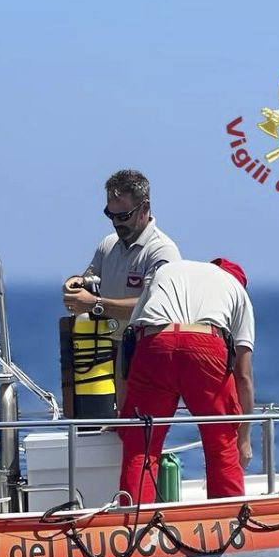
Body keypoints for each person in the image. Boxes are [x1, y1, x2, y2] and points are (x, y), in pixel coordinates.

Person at [116, 258, 255, 504]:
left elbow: (129, 343)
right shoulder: (237, 291)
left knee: (141, 448)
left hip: (154, 343)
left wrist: (124, 413)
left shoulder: (168, 271)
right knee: (221, 444)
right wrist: (243, 439)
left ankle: (133, 528)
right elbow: (243, 375)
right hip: (205, 345)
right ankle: (229, 524)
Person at [62, 169, 181, 401]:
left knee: (138, 426)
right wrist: (74, 286)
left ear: (144, 209)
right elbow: (88, 278)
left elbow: (154, 308)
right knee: (102, 422)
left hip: (145, 355)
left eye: (123, 215)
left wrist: (96, 304)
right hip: (106, 352)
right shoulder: (108, 245)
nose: (116, 222)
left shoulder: (162, 251)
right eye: (111, 215)